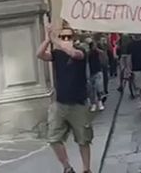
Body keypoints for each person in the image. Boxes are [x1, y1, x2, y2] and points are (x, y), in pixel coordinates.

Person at [36, 21, 93, 173]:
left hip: (78, 104)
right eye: (63, 37)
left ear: (74, 39)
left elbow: (74, 54)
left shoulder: (82, 50)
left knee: (83, 139)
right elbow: (39, 54)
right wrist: (47, 40)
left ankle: (86, 169)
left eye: (68, 37)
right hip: (60, 103)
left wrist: (55, 39)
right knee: (53, 138)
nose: (66, 40)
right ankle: (67, 167)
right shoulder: (57, 54)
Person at [86, 39, 105, 112]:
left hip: (98, 71)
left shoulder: (98, 52)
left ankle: (100, 103)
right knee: (91, 90)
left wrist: (97, 49)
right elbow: (87, 62)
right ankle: (93, 104)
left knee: (98, 88)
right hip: (91, 73)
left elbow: (102, 53)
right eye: (93, 45)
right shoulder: (88, 53)